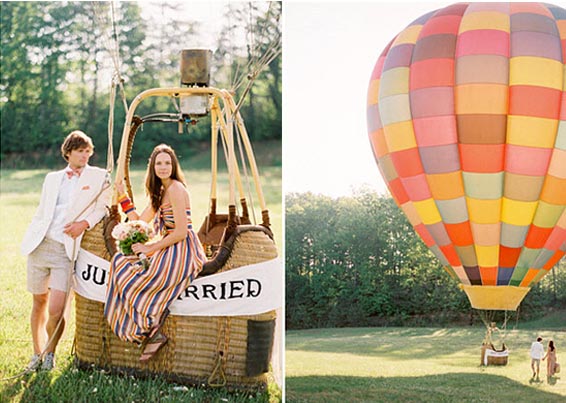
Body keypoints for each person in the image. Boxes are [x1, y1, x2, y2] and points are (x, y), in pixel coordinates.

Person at [104, 143, 206, 362]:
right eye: (159, 163)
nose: (163, 167)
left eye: (167, 163)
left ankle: (150, 325)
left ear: (174, 165)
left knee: (141, 274)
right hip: (169, 245)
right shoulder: (161, 192)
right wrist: (122, 197)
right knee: (121, 261)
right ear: (152, 167)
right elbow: (140, 223)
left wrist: (149, 248)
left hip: (183, 249)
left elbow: (180, 232)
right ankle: (149, 327)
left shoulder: (176, 189)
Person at [21, 131, 110, 371]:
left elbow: (103, 208)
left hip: (65, 250)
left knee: (57, 308)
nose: (84, 155)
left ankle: (51, 353)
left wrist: (84, 224)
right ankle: (37, 353)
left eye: (87, 151)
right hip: (40, 245)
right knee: (39, 302)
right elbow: (43, 210)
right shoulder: (51, 178)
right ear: (68, 152)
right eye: (79, 151)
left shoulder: (100, 176)